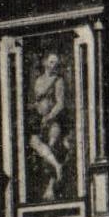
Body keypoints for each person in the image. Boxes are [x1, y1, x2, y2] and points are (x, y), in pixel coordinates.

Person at [28, 52, 68, 201]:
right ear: (45, 63)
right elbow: (38, 100)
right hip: (39, 120)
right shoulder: (38, 80)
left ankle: (51, 187)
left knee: (51, 148)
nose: (54, 65)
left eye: (56, 62)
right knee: (35, 144)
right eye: (51, 62)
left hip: (53, 121)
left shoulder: (58, 81)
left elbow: (60, 103)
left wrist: (49, 116)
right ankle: (57, 167)